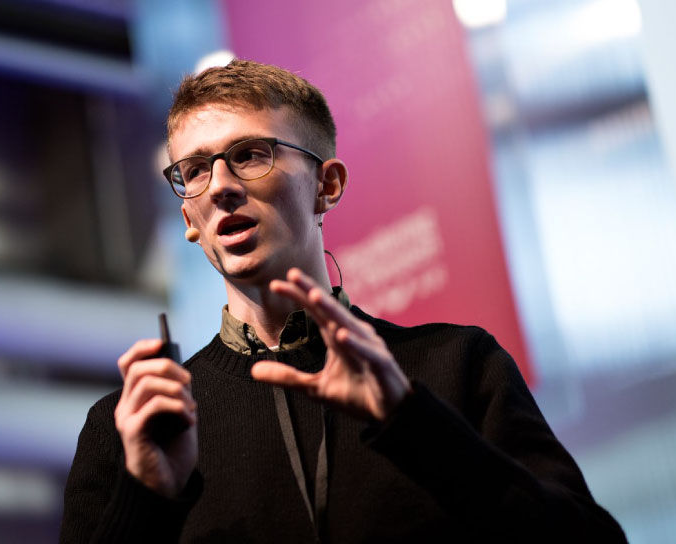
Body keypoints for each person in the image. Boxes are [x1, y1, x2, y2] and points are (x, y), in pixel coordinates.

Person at [60, 59, 626, 543]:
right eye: (195, 171)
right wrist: (147, 496)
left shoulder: (456, 366)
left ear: (326, 185)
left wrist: (411, 421)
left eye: (251, 154)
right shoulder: (135, 426)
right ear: (189, 216)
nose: (221, 185)